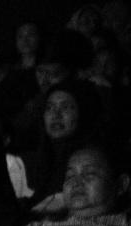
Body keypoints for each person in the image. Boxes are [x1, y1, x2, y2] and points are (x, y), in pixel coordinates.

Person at [10, 80, 105, 215]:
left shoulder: (97, 158)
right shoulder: (42, 157)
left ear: (84, 112)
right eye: (49, 108)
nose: (56, 115)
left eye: (65, 107)